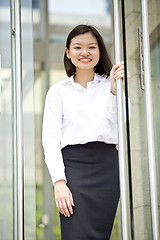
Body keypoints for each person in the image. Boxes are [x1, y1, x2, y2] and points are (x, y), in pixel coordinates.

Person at [42, 24, 126, 240]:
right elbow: (51, 140)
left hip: (107, 167)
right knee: (74, 234)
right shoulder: (58, 92)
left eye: (92, 47)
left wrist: (115, 92)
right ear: (68, 52)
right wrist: (59, 183)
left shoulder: (112, 85)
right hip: (73, 169)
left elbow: (122, 125)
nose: (85, 53)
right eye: (78, 47)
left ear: (100, 51)